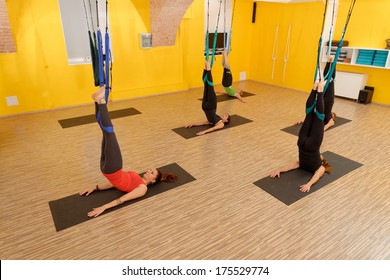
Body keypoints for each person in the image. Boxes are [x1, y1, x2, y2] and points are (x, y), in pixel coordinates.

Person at [79, 86, 177, 217]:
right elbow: (114, 184)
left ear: (153, 180)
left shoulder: (143, 188)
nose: (148, 171)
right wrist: (95, 187)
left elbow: (122, 199)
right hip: (108, 169)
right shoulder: (138, 180)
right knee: (105, 132)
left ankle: (100, 101)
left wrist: (104, 207)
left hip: (113, 169)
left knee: (110, 132)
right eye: (151, 170)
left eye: (151, 172)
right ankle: (97, 101)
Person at [270, 80, 332, 192]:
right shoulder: (313, 165)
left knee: (316, 115)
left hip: (311, 144)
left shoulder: (320, 166)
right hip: (303, 144)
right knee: (311, 114)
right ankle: (316, 89)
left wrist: (279, 170)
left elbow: (293, 167)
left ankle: (318, 89)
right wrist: (309, 184)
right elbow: (296, 167)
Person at [185, 59, 230, 136]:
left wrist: (202, 130)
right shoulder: (217, 119)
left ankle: (206, 68)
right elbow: (204, 122)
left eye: (226, 116)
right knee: (209, 86)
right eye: (225, 115)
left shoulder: (221, 124)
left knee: (206, 86)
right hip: (211, 105)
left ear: (226, 121)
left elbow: (212, 128)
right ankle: (207, 68)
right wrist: (193, 124)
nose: (223, 115)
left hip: (205, 106)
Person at [295, 55, 336, 131]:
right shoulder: (330, 118)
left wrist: (302, 122)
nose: (332, 114)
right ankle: (332, 61)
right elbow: (329, 125)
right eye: (333, 114)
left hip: (321, 102)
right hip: (328, 101)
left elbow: (311, 118)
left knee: (327, 79)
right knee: (331, 80)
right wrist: (324, 128)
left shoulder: (321, 118)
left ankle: (329, 61)